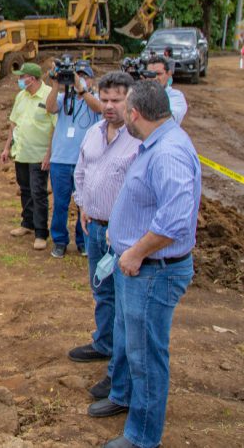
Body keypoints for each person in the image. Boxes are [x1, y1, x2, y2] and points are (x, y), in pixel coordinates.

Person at [87, 80, 200, 448]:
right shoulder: (156, 143)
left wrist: (135, 252)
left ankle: (141, 437)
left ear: (135, 114)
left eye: (124, 109)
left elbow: (176, 221)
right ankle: (122, 396)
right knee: (128, 339)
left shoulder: (168, 152)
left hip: (153, 271)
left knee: (147, 356)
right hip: (137, 268)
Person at [67, 72, 141, 400]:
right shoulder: (94, 132)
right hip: (94, 226)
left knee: (126, 307)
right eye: (105, 98)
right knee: (101, 291)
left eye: (116, 100)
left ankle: (118, 375)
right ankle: (104, 343)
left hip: (123, 236)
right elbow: (81, 170)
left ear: (131, 102)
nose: (109, 106)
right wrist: (83, 204)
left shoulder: (139, 141)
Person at [45, 59, 103, 258]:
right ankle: (59, 241)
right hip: (61, 160)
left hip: (85, 161)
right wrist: (55, 84)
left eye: (84, 76)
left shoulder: (94, 98)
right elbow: (49, 108)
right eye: (77, 76)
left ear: (91, 80)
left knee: (84, 204)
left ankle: (83, 241)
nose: (79, 79)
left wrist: (82, 90)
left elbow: (99, 109)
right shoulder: (63, 97)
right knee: (60, 203)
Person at [1, 62, 56, 250]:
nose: (19, 80)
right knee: (24, 189)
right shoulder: (21, 96)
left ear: (31, 79)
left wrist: (49, 154)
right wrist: (7, 148)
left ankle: (41, 233)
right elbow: (14, 123)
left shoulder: (50, 95)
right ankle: (27, 223)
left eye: (21, 77)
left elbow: (55, 128)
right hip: (21, 152)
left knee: (38, 192)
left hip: (39, 154)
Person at [145, 56, 187, 124]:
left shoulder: (176, 96)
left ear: (169, 74)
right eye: (150, 74)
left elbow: (168, 121)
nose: (154, 78)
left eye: (158, 74)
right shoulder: (139, 93)